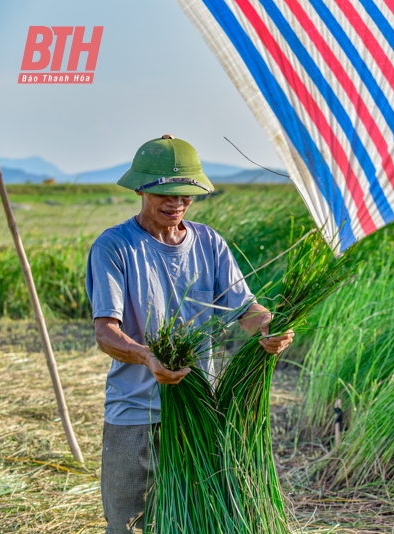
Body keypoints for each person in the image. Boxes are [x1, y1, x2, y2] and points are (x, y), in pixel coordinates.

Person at [86, 135, 294, 533]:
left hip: (201, 408)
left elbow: (245, 311)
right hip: (136, 412)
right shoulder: (114, 247)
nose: (176, 203)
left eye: (186, 194)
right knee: (128, 522)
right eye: (166, 193)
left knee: (194, 519)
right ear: (140, 188)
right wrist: (148, 357)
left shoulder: (209, 243)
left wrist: (269, 329)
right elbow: (105, 333)